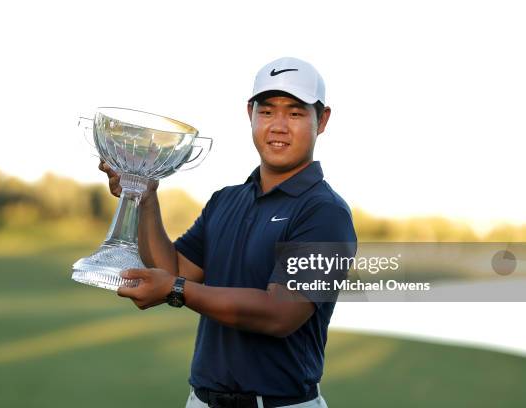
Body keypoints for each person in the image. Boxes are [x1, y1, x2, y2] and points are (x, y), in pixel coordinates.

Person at [99, 57, 357, 408]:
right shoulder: (226, 200)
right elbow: (173, 269)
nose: (278, 126)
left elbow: (281, 313)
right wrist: (146, 199)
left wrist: (177, 289)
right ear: (250, 113)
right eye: (267, 112)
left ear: (321, 120)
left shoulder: (325, 212)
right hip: (201, 400)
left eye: (295, 113)